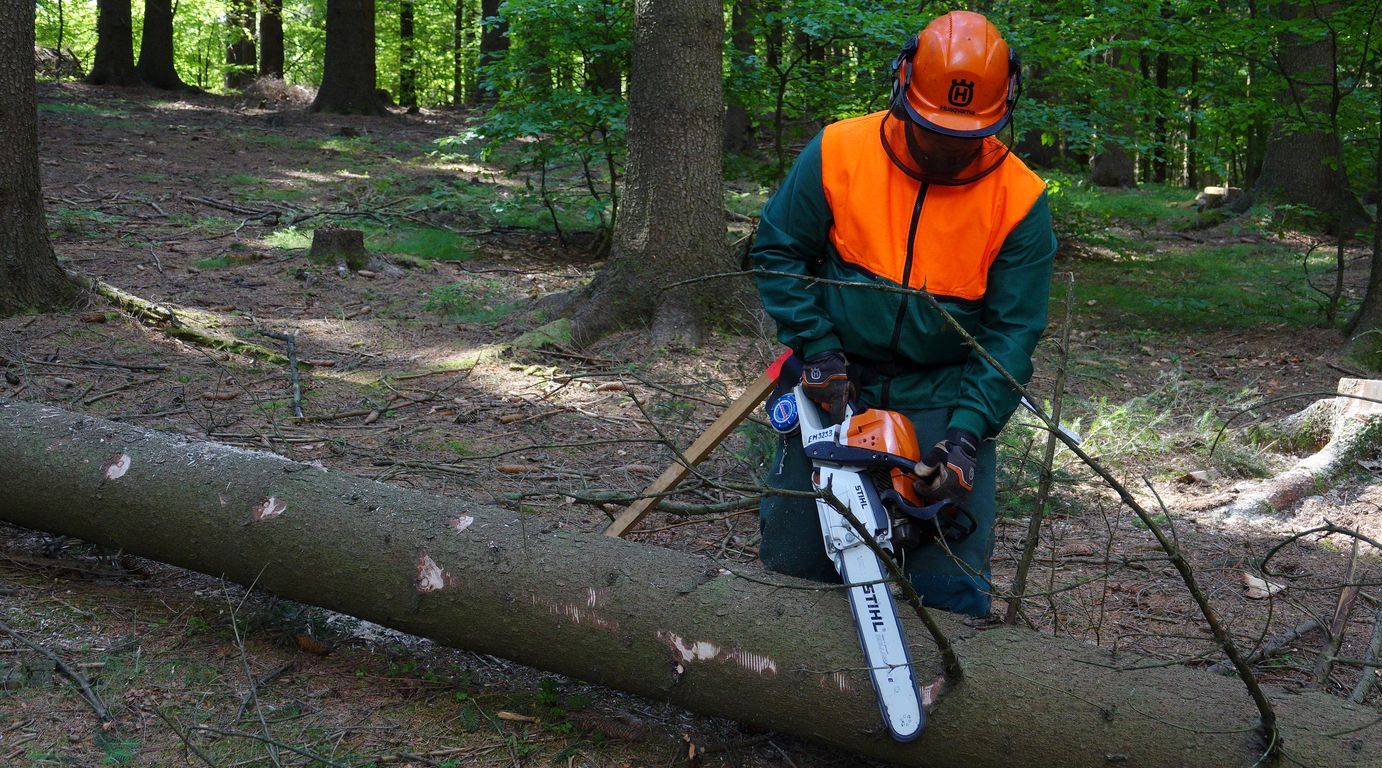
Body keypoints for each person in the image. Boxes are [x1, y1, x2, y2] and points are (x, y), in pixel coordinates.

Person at [750, 10, 1057, 618]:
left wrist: (967, 434)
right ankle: (778, 692)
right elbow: (779, 249)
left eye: (961, 137)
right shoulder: (840, 150)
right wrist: (817, 348)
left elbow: (1013, 332)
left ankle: (946, 693)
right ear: (901, 89)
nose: (945, 148)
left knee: (948, 584)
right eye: (932, 129)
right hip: (838, 376)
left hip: (943, 390)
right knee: (797, 562)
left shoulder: (1018, 200)